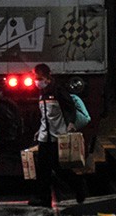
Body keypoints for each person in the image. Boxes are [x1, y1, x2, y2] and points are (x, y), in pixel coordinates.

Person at [28, 64, 86, 206]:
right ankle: (44, 199)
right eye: (35, 78)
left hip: (57, 136)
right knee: (43, 169)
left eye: (39, 78)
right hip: (44, 137)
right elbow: (45, 115)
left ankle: (80, 186)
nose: (37, 81)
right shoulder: (42, 93)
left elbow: (70, 107)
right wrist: (39, 130)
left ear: (47, 78)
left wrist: (71, 123)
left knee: (58, 168)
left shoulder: (58, 90)